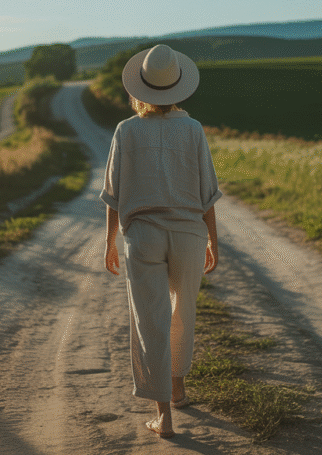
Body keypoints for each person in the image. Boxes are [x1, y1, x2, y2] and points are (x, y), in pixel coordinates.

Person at [100, 44, 222, 439]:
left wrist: (110, 242)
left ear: (141, 88)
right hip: (188, 234)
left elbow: (114, 196)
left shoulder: (126, 130)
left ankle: (164, 416)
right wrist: (213, 243)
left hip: (143, 237)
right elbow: (208, 195)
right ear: (178, 87)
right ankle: (179, 388)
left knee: (149, 321)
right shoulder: (193, 129)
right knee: (182, 312)